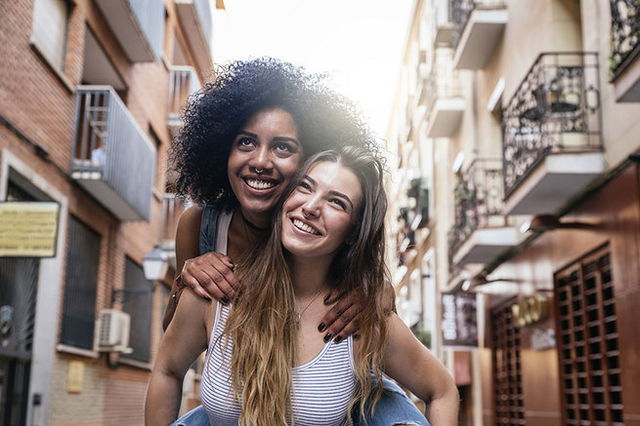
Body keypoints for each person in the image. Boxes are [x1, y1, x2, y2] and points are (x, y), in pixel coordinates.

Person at [162, 58, 433, 425]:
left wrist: (374, 293)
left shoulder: (304, 218)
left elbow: (375, 290)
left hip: (326, 386)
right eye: (245, 142)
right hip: (247, 383)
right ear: (223, 149)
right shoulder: (200, 224)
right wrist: (188, 278)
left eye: (283, 148)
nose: (261, 161)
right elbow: (174, 337)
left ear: (308, 161)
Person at [146, 147, 459, 425]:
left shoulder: (360, 317)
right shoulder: (214, 292)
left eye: (336, 202)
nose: (311, 206)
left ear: (354, 231)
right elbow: (167, 371)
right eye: (305, 187)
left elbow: (442, 390)